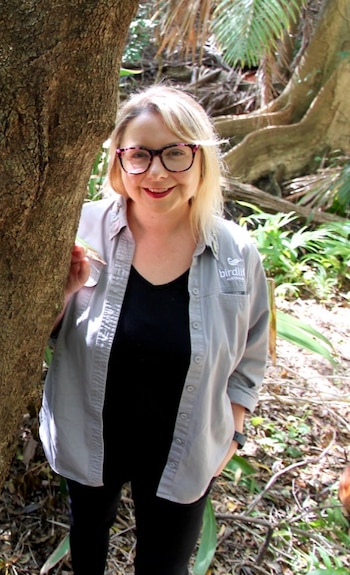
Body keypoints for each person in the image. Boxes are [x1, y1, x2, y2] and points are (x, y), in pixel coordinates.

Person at [39, 85, 270, 574]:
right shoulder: (78, 230)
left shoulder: (236, 251)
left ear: (200, 160)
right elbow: (38, 334)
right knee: (88, 553)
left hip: (186, 448)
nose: (157, 172)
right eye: (140, 154)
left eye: (175, 153)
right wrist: (61, 292)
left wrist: (236, 428)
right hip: (91, 435)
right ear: (119, 162)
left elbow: (252, 347)